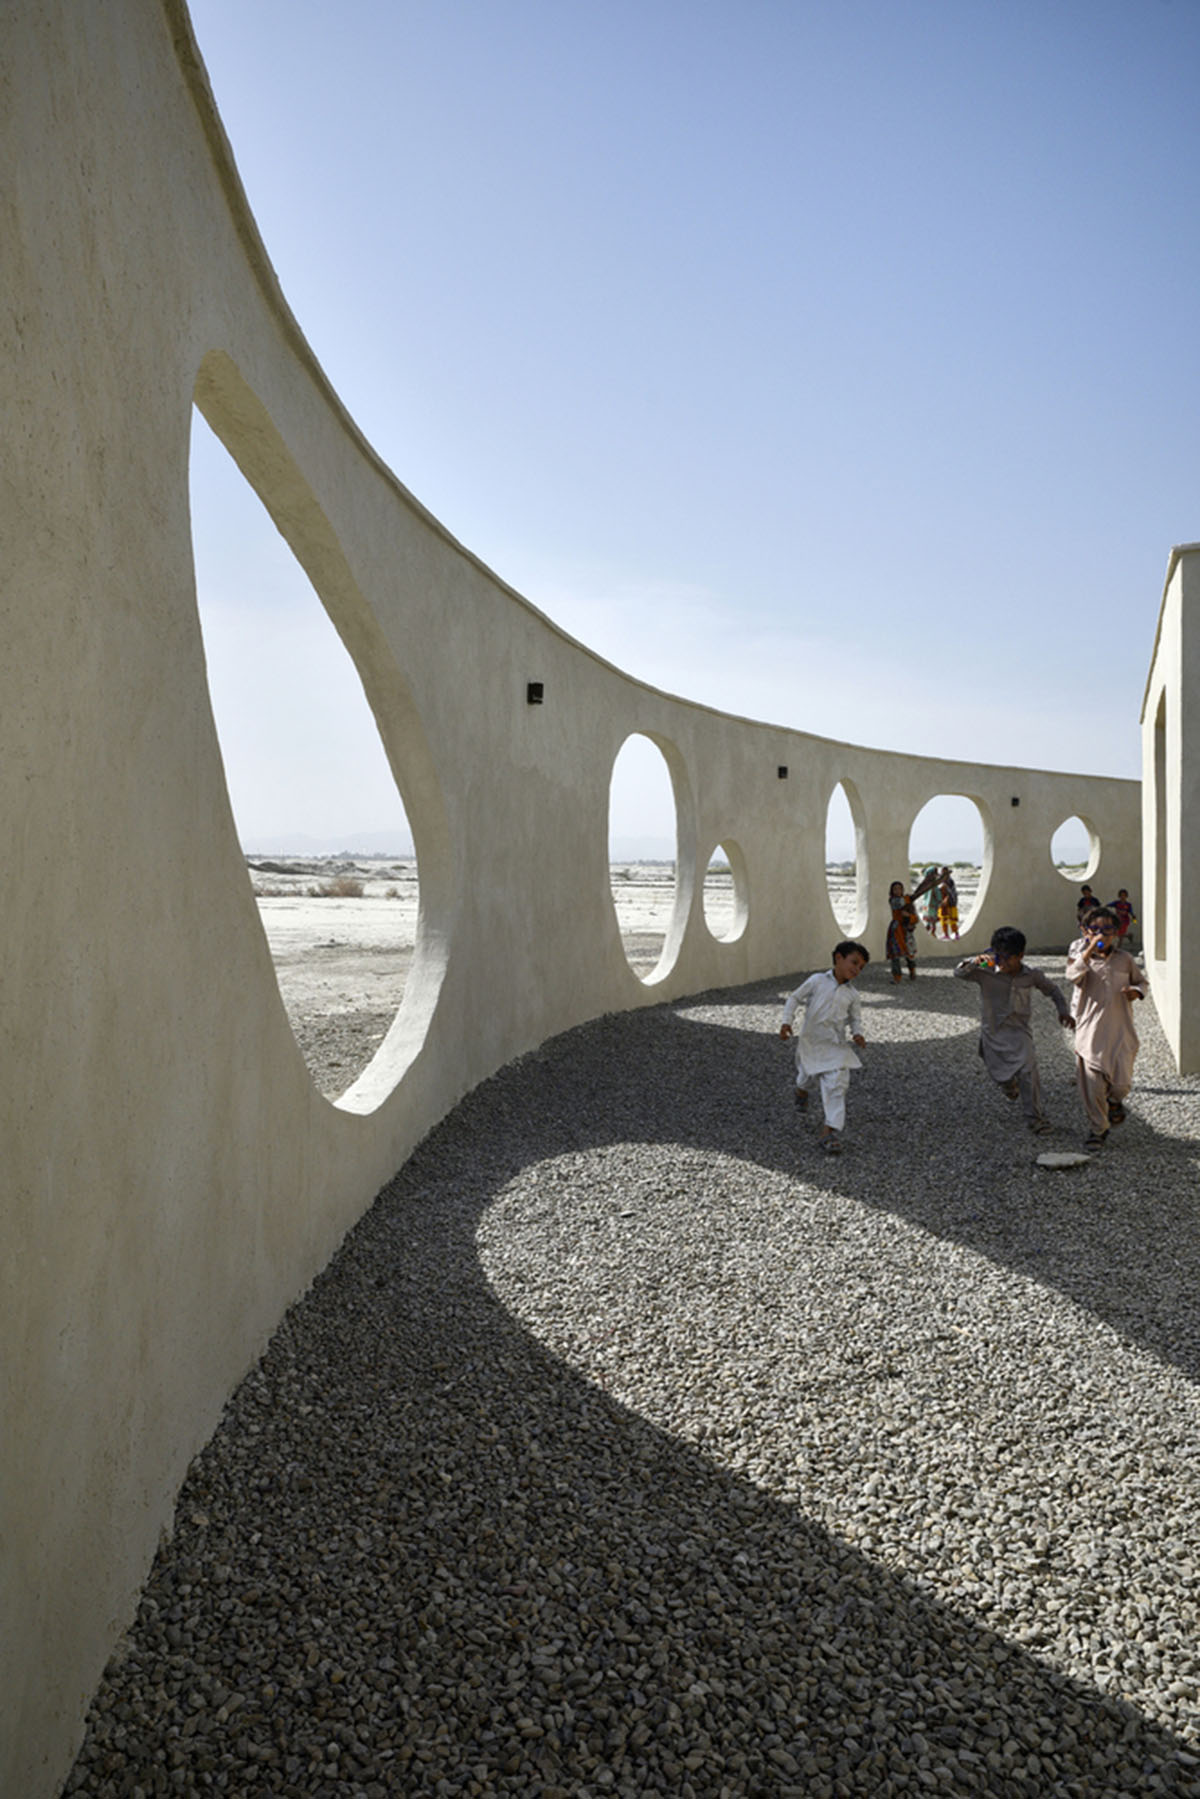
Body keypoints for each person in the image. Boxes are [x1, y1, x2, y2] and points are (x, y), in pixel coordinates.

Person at [955, 926, 1074, 1133]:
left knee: (1028, 1072)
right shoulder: (984, 971)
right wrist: (976, 961)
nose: (1001, 961)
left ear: (1020, 955)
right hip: (992, 1032)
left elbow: (1053, 990)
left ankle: (1035, 1119)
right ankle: (1009, 1086)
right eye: (997, 955)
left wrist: (1063, 1011)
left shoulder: (1031, 975)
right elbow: (959, 973)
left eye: (1007, 957)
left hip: (1019, 1032)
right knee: (999, 1073)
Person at [1066, 907, 1147, 1149]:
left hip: (1121, 1031)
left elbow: (1141, 981)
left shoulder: (1125, 959)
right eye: (1096, 930)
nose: (1102, 935)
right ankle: (1097, 1129)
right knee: (1092, 1084)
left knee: (1121, 1085)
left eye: (1108, 930)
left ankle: (1115, 1102)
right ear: (1086, 932)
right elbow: (1072, 975)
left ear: (1117, 933)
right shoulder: (1081, 958)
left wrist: (1137, 992)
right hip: (1090, 1032)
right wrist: (1090, 950)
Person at [779, 940, 869, 1156]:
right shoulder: (817, 981)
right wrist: (786, 1021)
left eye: (861, 967)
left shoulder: (852, 995)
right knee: (807, 1076)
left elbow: (855, 1018)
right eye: (854, 962)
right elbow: (794, 998)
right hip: (811, 1043)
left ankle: (829, 1131)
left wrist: (857, 1033)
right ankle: (801, 1091)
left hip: (835, 1046)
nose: (856, 969)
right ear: (838, 958)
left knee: (837, 1083)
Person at [886, 881, 919, 982]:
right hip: (896, 931)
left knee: (910, 954)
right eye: (895, 889)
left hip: (906, 931)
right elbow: (901, 902)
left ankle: (912, 972)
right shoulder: (893, 900)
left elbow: (915, 917)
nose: (897, 891)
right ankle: (897, 977)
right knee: (895, 954)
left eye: (899, 888)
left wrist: (909, 916)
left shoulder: (907, 901)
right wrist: (911, 898)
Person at [937, 867, 960, 940]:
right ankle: (946, 934)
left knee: (952, 920)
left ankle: (956, 933)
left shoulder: (950, 881)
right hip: (943, 904)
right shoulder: (941, 881)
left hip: (950, 902)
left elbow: (951, 892)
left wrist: (947, 899)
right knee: (943, 920)